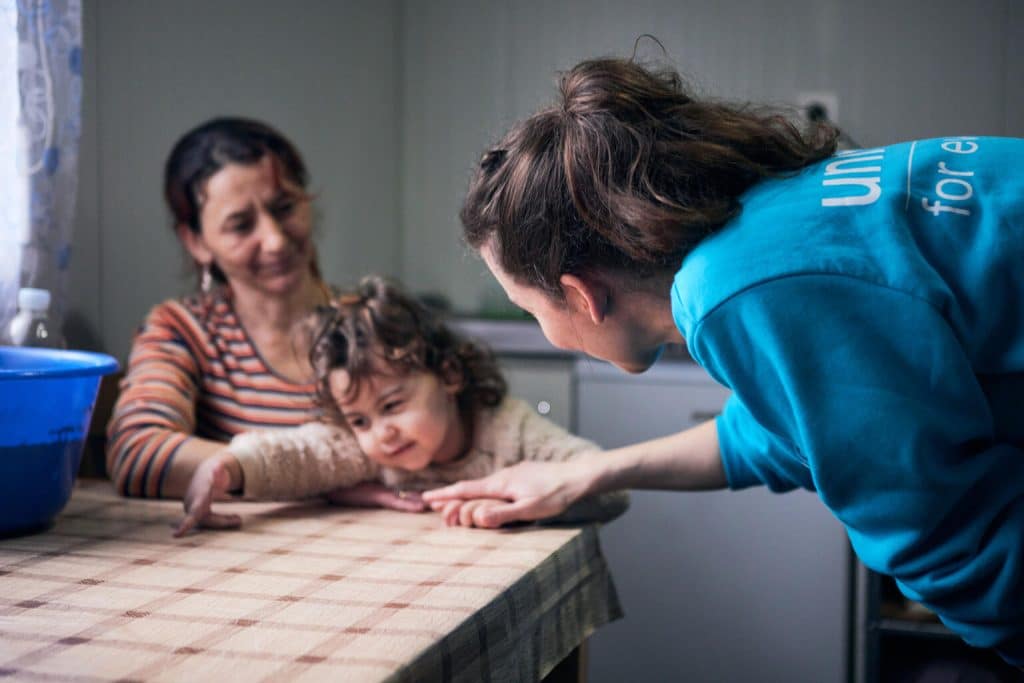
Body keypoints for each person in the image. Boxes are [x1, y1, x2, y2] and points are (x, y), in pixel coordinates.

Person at [421, 56, 1024, 665]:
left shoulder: (735, 288)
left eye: (532, 311)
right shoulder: (766, 218)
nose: (545, 332)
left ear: (582, 294)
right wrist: (585, 474)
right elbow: (778, 432)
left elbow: (949, 545)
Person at [172, 275, 627, 536]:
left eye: (392, 405)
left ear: (448, 375)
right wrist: (225, 466)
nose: (380, 433)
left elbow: (608, 486)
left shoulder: (508, 431)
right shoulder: (372, 448)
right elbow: (303, 452)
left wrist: (525, 503)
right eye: (359, 419)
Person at [106, 118, 405, 512]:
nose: (275, 239)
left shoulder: (374, 320)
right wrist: (318, 479)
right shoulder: (182, 330)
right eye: (240, 225)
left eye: (284, 208)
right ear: (196, 241)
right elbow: (138, 453)